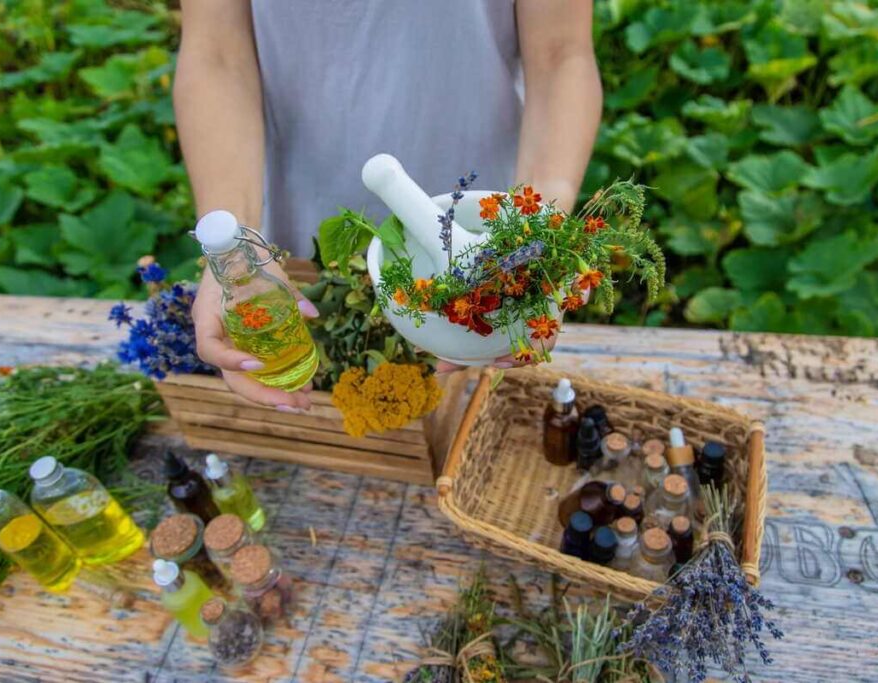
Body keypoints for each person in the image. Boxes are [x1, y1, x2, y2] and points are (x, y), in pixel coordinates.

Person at [176, 0, 602, 410]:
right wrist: (233, 246)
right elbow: (217, 54)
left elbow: (560, 52)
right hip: (296, 209)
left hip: (492, 211)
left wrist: (543, 231)